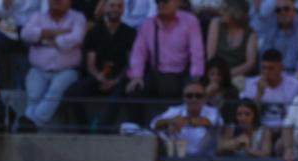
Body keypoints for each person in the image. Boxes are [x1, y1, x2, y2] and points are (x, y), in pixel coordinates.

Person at [63, 0, 136, 132]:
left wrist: (116, 80)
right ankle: (83, 130)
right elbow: (91, 62)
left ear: (123, 10)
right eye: (112, 5)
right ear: (105, 8)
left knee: (120, 96)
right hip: (98, 77)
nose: (115, 9)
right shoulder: (94, 32)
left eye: (119, 6)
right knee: (71, 93)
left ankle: (102, 129)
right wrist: (99, 77)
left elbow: (130, 62)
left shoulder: (130, 33)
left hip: (119, 79)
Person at [19, 0, 86, 130]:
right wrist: (58, 33)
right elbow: (26, 34)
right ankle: (29, 126)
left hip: (66, 71)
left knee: (54, 92)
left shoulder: (78, 17)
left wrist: (43, 38)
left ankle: (30, 124)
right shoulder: (38, 16)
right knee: (33, 97)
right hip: (38, 69)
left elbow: (76, 38)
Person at [125, 0, 205, 106]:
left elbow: (197, 53)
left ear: (177, 2)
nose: (161, 4)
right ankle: (136, 123)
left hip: (181, 74)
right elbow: (138, 53)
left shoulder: (190, 21)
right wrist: (137, 76)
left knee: (193, 93)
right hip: (157, 74)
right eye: (158, 2)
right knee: (133, 89)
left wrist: (195, 78)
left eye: (165, 1)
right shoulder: (148, 24)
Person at [151, 79, 223, 156]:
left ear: (204, 98)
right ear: (184, 98)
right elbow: (154, 124)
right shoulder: (175, 110)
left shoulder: (212, 111)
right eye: (189, 96)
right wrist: (171, 121)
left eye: (198, 96)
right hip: (179, 154)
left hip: (205, 156)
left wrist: (186, 121)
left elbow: (216, 122)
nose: (194, 99)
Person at [240, 47, 298, 135]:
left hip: (284, 131)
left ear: (281, 68)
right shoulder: (252, 84)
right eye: (264, 68)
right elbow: (249, 115)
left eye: (271, 68)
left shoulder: (295, 85)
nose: (266, 72)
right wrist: (259, 93)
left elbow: (293, 115)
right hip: (259, 131)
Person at [205, 0, 257, 86]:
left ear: (236, 12)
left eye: (225, 10)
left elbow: (250, 63)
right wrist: (219, 75)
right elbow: (211, 57)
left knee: (238, 84)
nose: (220, 12)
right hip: (216, 74)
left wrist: (227, 75)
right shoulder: (216, 24)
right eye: (221, 9)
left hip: (239, 76)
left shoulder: (251, 33)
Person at [256, 0, 298, 76]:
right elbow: (265, 56)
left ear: (294, 11)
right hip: (274, 77)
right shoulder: (271, 29)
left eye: (286, 9)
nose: (282, 12)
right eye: (278, 10)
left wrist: (297, 77)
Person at [204, 55, 239, 119]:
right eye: (212, 74)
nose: (215, 77)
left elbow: (232, 114)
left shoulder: (232, 91)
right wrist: (206, 94)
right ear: (207, 75)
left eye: (219, 74)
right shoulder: (200, 89)